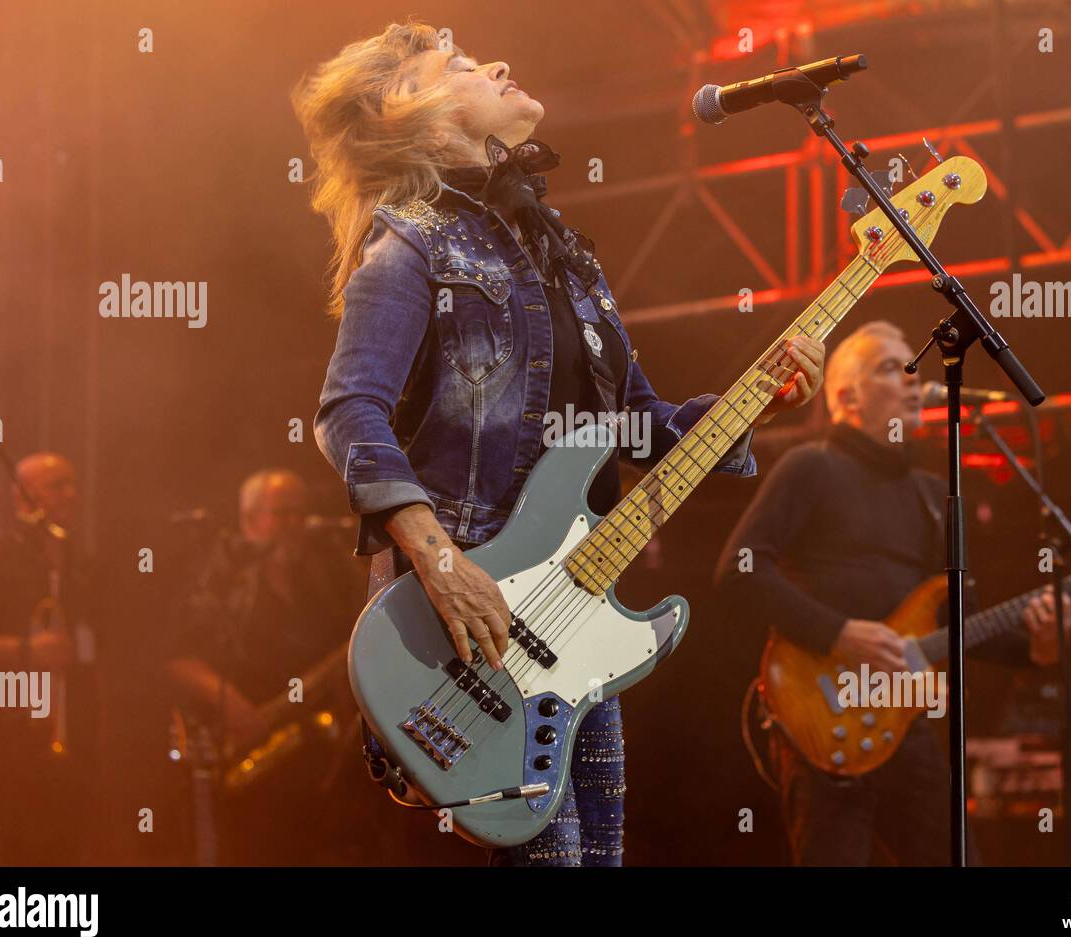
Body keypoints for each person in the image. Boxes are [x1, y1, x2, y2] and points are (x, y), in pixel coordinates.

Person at [291, 21, 825, 866]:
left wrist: (760, 397)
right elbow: (348, 413)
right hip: (475, 624)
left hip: (572, 618)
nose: (500, 61)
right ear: (411, 108)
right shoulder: (409, 247)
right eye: (463, 66)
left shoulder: (566, 253)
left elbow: (640, 425)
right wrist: (440, 561)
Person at [714, 320, 1071, 866]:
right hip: (819, 715)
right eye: (891, 367)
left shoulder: (934, 495)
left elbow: (961, 628)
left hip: (904, 723)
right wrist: (840, 634)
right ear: (845, 396)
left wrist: (1038, 647)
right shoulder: (812, 466)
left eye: (915, 367)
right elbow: (738, 572)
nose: (913, 380)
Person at [165, 468, 370, 864]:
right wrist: (237, 709)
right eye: (282, 514)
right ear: (249, 519)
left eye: (299, 512)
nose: (295, 524)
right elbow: (179, 655)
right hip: (248, 739)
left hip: (312, 750)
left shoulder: (322, 574)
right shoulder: (222, 578)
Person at [0, 452, 101, 865]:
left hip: (80, 731)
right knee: (20, 846)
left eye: (72, 484)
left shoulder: (81, 566)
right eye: (56, 486)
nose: (70, 495)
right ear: (21, 497)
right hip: (12, 729)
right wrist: (27, 650)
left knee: (73, 844)